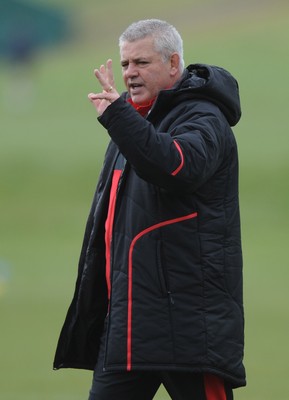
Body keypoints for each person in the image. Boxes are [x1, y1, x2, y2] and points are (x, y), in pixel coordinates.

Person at [53, 19, 246, 400]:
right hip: (129, 327)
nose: (129, 74)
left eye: (141, 63)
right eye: (125, 64)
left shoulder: (204, 117)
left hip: (190, 328)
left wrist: (119, 118)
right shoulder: (133, 121)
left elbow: (176, 166)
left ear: (174, 64)